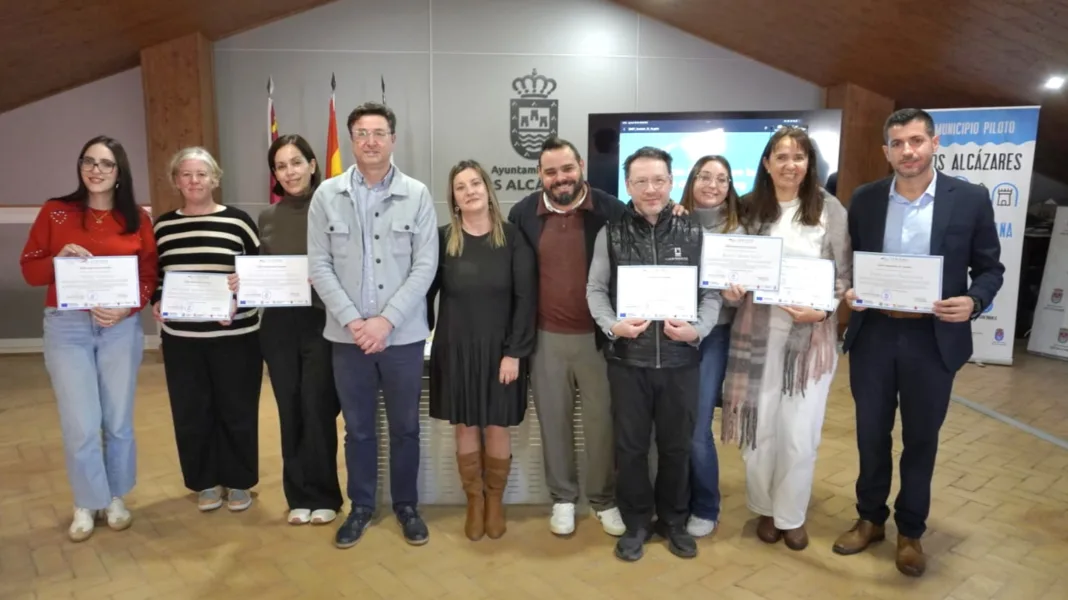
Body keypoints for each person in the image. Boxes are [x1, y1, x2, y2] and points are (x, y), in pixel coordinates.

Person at [834, 108, 1004, 577]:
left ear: (934, 143)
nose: (907, 151)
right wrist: (850, 291)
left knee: (921, 439)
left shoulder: (969, 199)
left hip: (933, 338)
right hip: (874, 333)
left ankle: (910, 530)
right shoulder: (865, 199)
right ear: (886, 151)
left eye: (915, 141)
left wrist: (974, 300)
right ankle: (870, 519)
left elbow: (990, 268)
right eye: (897, 143)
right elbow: (852, 263)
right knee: (870, 434)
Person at [307, 101, 438, 549]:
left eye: (379, 133)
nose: (370, 141)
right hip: (347, 339)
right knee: (358, 429)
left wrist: (385, 321)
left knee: (405, 428)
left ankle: (406, 506)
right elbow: (319, 265)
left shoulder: (417, 194)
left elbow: (425, 266)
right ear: (351, 140)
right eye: (362, 133)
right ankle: (360, 506)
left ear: (392, 140)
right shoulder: (327, 195)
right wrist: (355, 322)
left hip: (403, 338)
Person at [20, 136, 158, 542]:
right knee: (81, 422)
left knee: (117, 420)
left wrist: (127, 309)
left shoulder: (137, 218)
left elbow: (148, 276)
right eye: (89, 161)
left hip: (120, 327)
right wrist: (57, 261)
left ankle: (114, 496)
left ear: (119, 172)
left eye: (106, 164)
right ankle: (86, 499)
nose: (96, 170)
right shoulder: (56, 212)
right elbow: (30, 270)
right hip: (67, 326)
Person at [586, 146, 721, 562]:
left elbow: (711, 293)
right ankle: (637, 523)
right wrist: (613, 326)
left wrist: (698, 330)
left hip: (681, 361)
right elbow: (595, 289)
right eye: (641, 181)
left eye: (659, 180)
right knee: (630, 448)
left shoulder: (694, 232)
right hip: (628, 360)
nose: (651, 189)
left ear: (671, 182)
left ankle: (675, 521)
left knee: (676, 447)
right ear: (628, 186)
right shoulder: (610, 233)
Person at [720, 126, 851, 552]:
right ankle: (764, 508)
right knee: (760, 430)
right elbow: (730, 271)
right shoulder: (747, 209)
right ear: (766, 163)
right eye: (781, 156)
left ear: (809, 163)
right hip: (756, 337)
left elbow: (843, 276)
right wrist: (731, 288)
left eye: (798, 157)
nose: (790, 165)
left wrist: (824, 311)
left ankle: (791, 515)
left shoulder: (830, 210)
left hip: (809, 342)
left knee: (799, 434)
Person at [507, 136, 625, 537]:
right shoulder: (523, 214)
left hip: (599, 341)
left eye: (568, 169)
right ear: (540, 174)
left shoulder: (611, 210)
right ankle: (562, 498)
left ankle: (604, 500)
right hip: (545, 340)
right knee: (553, 423)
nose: (561, 178)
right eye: (551, 171)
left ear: (581, 168)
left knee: (601, 425)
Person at [426, 160, 536, 541]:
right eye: (461, 187)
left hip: (501, 352)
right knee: (466, 425)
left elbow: (526, 299)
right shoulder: (443, 239)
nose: (469, 191)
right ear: (453, 199)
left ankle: (494, 501)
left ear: (488, 189)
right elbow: (422, 291)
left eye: (475, 183)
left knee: (497, 425)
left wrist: (515, 352)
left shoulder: (513, 238)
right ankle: (474, 500)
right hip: (455, 349)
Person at [152, 146, 263, 514]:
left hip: (236, 337)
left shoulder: (238, 222)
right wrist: (156, 299)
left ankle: (239, 480)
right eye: (186, 174)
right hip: (182, 341)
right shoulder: (162, 227)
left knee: (237, 409)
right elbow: (155, 276)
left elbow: (259, 274)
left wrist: (239, 299)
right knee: (191, 412)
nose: (194, 181)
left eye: (202, 174)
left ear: (215, 178)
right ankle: (205, 482)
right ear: (175, 181)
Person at [256, 134, 342, 525]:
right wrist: (246, 281)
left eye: (295, 162)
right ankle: (298, 496)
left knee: (317, 406)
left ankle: (325, 496)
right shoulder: (267, 217)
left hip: (321, 319)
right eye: (280, 166)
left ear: (312, 164)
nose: (289, 172)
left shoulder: (333, 207)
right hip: (278, 323)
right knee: (289, 409)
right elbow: (263, 267)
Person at [677, 155, 745, 539]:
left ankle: (706, 506)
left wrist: (737, 295)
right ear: (692, 180)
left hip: (713, 336)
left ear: (730, 186)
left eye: (722, 179)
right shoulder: (672, 220)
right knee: (670, 423)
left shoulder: (740, 231)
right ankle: (677, 499)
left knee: (697, 427)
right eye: (705, 177)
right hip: (671, 334)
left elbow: (745, 294)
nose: (713, 185)